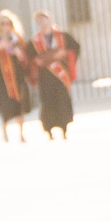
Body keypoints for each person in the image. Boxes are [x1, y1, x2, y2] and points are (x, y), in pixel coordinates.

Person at [0, 9, 33, 142]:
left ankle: (21, 134)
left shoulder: (18, 40)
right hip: (0, 80)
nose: (5, 27)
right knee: (6, 106)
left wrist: (19, 54)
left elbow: (26, 59)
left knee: (19, 105)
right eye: (2, 24)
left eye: (8, 24)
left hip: (17, 78)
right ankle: (4, 130)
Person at [32, 8, 80, 139]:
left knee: (62, 101)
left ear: (49, 19)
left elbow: (75, 48)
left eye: (44, 18)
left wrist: (64, 54)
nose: (43, 21)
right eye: (40, 19)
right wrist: (38, 61)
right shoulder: (35, 40)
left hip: (60, 76)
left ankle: (64, 129)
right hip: (45, 77)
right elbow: (31, 58)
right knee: (47, 102)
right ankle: (49, 131)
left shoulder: (62, 36)